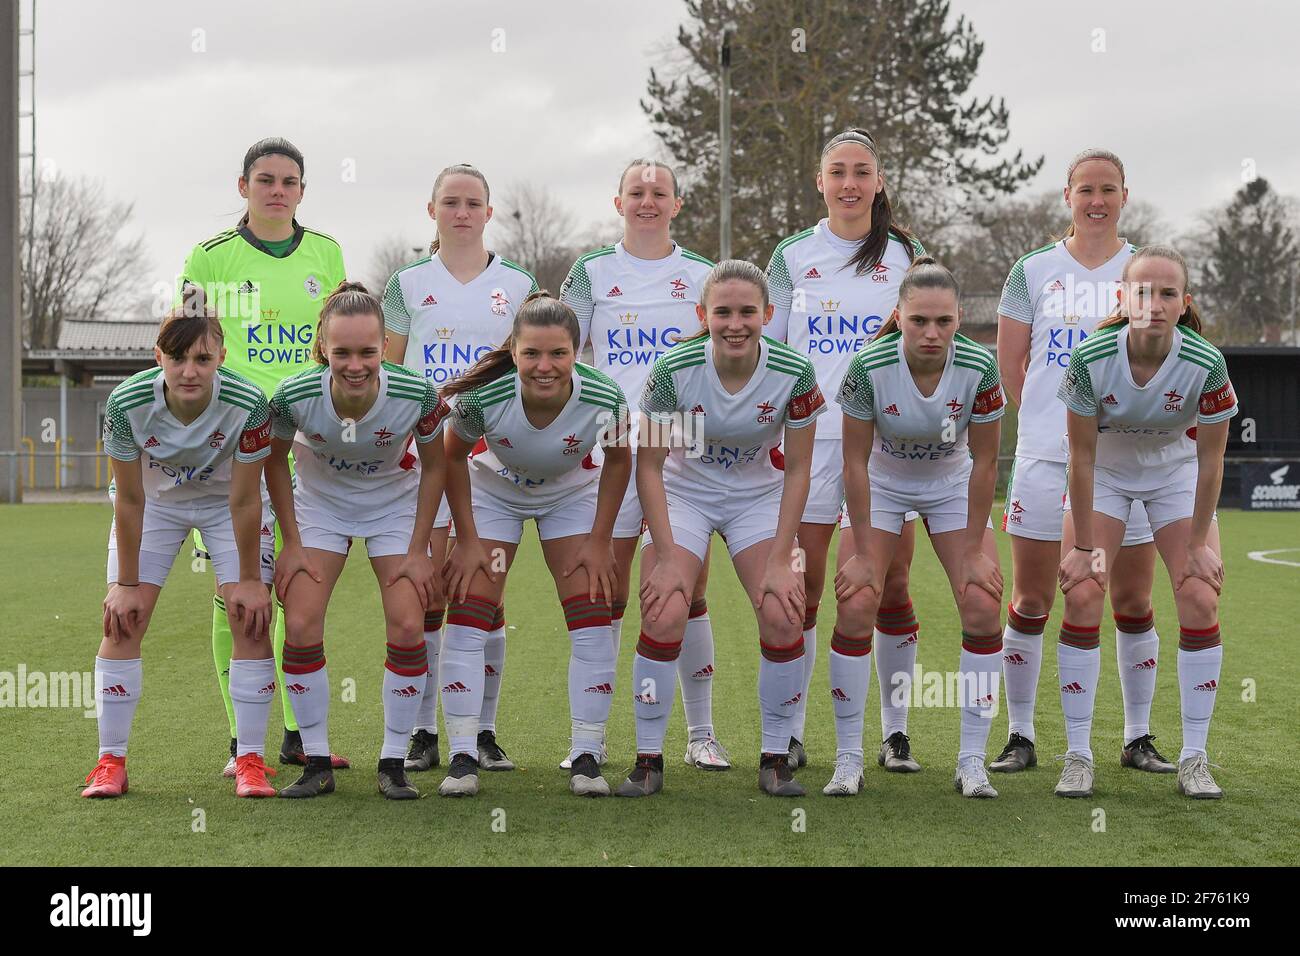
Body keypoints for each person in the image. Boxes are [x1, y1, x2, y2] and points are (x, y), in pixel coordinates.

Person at [992, 148, 1173, 776]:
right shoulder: (1033, 270)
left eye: (1108, 189)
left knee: (1128, 595)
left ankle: (1137, 736)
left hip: (1127, 464)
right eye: (1085, 189)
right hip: (1045, 457)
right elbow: (1013, 368)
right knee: (1035, 596)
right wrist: (1052, 423)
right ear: (1067, 196)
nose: (1097, 200)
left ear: (1125, 194)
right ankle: (1020, 736)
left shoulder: (1143, 269)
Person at [621, 259, 824, 798]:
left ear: (768, 314)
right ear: (702, 315)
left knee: (785, 613)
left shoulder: (794, 371)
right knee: (664, 608)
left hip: (757, 495)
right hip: (686, 492)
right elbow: (650, 465)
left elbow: (799, 469)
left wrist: (782, 559)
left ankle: (776, 759)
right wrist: (665, 556)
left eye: (747, 312)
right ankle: (647, 761)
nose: (736, 323)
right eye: (723, 312)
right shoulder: (674, 368)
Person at [179, 136, 349, 775]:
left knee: (296, 590)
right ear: (243, 186)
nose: (278, 190)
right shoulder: (211, 257)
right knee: (236, 591)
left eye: (290, 181)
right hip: (234, 444)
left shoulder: (327, 253)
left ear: (302, 190)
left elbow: (342, 344)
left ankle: (296, 735)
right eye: (266, 179)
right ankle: (238, 737)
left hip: (309, 442)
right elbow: (187, 347)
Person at [765, 127, 928, 772]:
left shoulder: (907, 255)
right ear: (820, 181)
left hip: (885, 446)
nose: (851, 183)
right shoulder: (790, 256)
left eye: (862, 171)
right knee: (800, 590)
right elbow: (771, 353)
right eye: (839, 172)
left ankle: (894, 733)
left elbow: (924, 346)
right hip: (810, 446)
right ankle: (794, 731)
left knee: (888, 585)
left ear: (879, 181)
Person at [559, 159, 728, 770]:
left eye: (659, 193)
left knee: (685, 586)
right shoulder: (591, 271)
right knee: (604, 584)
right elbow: (561, 355)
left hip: (681, 446)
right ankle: (592, 737)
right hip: (610, 446)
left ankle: (701, 731)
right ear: (618, 202)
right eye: (637, 192)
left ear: (678, 204)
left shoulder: (704, 275)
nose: (648, 201)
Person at [434, 292, 631, 797]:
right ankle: (461, 754)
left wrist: (600, 539)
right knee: (470, 611)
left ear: (577, 350)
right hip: (495, 493)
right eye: (531, 354)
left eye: (558, 354)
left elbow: (621, 461)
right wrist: (468, 539)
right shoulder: (483, 400)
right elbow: (451, 460)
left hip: (569, 495)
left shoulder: (605, 396)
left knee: (592, 610)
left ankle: (586, 754)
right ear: (514, 352)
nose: (544, 367)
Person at [1057, 245, 1235, 799]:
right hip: (1106, 476)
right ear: (1122, 297)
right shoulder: (1091, 358)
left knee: (1201, 596)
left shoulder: (1206, 363)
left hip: (1174, 478)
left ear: (1184, 303)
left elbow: (1210, 461)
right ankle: (1078, 754)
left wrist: (1201, 542)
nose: (1152, 304)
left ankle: (1194, 757)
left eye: (1165, 294)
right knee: (1085, 592)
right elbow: (1081, 459)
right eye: (1141, 292)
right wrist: (1084, 545)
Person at [82, 292, 276, 799]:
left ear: (221, 358)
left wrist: (252, 582)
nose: (189, 371)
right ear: (158, 356)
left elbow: (244, 502)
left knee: (249, 616)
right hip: (155, 504)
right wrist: (125, 585)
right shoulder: (125, 404)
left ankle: (250, 760)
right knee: (125, 617)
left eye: (203, 359)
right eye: (177, 357)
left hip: (224, 503)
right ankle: (110, 762)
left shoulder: (250, 404)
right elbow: (128, 500)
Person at [830, 257, 1007, 798]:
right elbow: (855, 463)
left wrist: (976, 548)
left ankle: (972, 760)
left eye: (944, 322)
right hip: (883, 482)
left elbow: (985, 461)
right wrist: (861, 548)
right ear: (899, 316)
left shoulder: (980, 366)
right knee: (859, 599)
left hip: (951, 483)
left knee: (980, 601)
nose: (932, 333)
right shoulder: (869, 367)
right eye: (918, 321)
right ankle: (849, 756)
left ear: (959, 319)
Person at [383, 163, 538, 774]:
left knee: (483, 596)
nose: (462, 212)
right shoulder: (406, 283)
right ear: (432, 211)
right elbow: (392, 372)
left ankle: (483, 731)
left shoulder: (519, 283)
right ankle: (424, 731)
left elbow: (533, 369)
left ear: (489, 211)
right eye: (451, 202)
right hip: (425, 460)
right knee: (427, 594)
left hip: (489, 458)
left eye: (473, 202)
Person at [265, 283, 449, 799]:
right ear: (323, 346)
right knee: (299, 621)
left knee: (410, 623)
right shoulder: (293, 394)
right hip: (321, 507)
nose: (355, 364)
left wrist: (418, 551)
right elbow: (273, 461)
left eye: (367, 352)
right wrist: (293, 542)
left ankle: (393, 763)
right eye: (342, 352)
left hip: (393, 504)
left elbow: (437, 466)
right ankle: (316, 762)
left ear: (384, 346)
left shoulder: (417, 394)